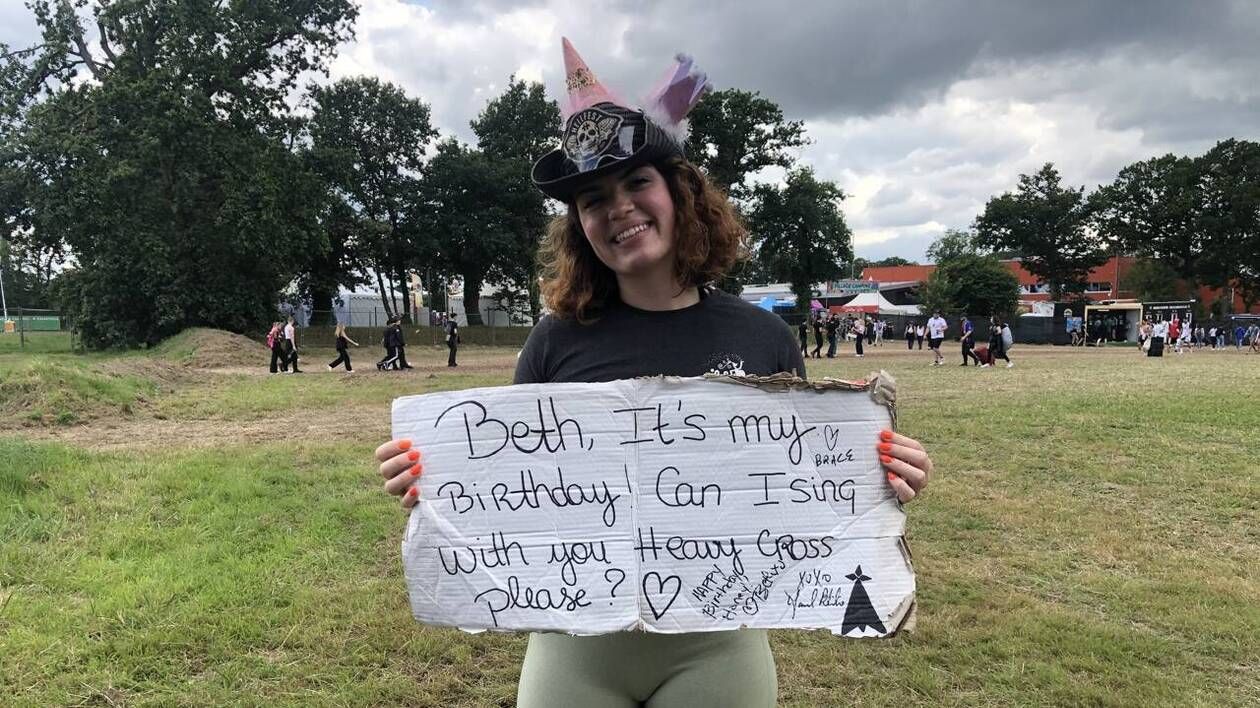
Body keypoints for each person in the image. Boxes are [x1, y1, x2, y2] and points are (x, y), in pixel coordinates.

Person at [374, 40, 932, 708]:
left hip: (717, 653)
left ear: (680, 193)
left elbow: (808, 490)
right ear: (579, 226)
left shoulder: (763, 336)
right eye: (592, 198)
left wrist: (883, 476)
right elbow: (510, 498)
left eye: (637, 182)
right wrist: (436, 482)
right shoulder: (555, 344)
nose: (618, 208)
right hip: (575, 654)